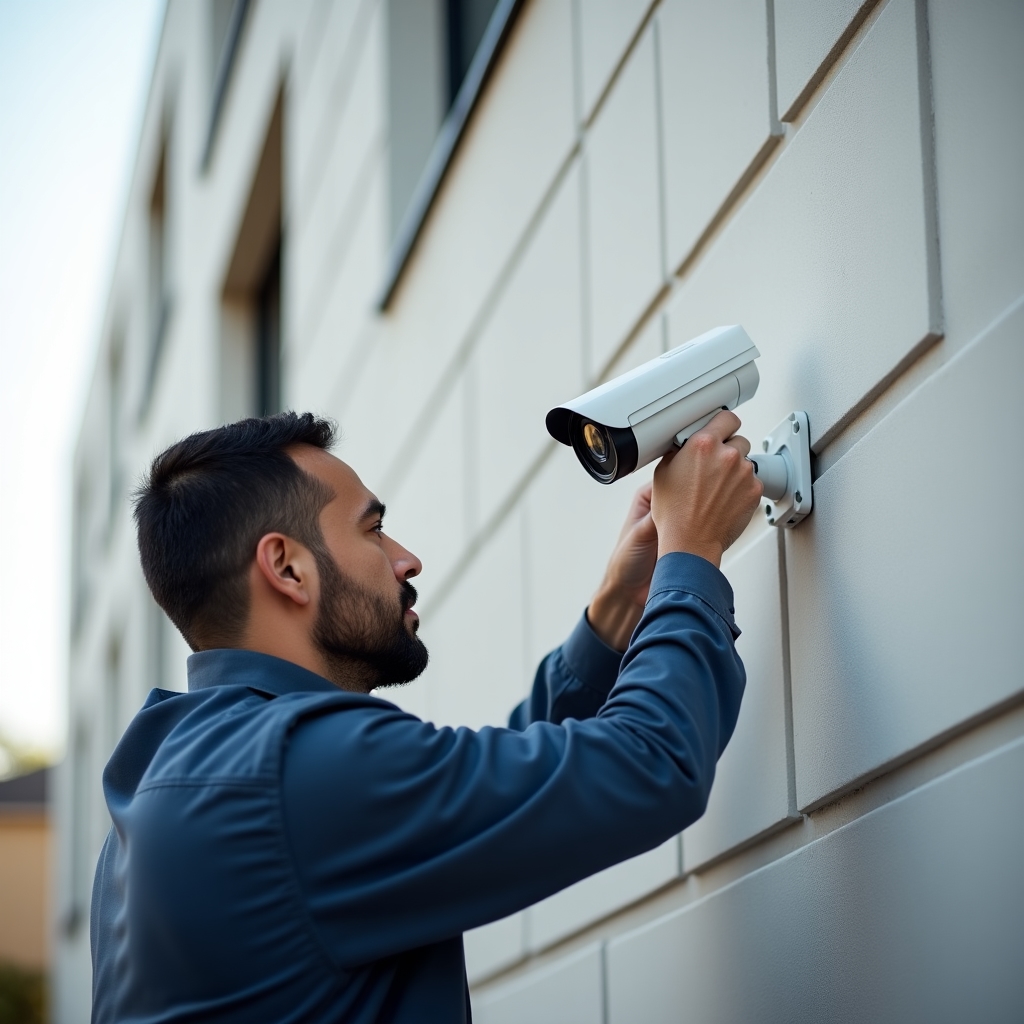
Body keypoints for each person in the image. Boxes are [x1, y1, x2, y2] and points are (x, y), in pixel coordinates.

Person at [91, 409, 763, 1023]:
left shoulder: (160, 791)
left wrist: (619, 608)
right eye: (373, 529)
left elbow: (486, 787)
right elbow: (650, 762)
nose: (406, 559)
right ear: (287, 568)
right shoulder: (295, 769)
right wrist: (691, 552)